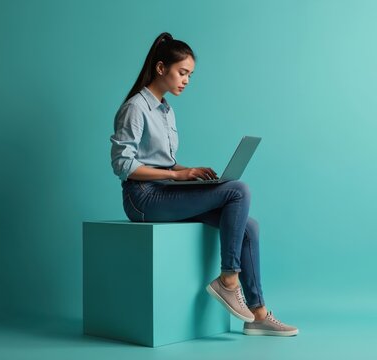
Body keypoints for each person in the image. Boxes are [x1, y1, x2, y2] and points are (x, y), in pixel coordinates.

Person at [110, 32, 298, 337]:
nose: (186, 80)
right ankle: (228, 281)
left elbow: (163, 162)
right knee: (239, 190)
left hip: (164, 192)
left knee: (249, 227)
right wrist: (176, 176)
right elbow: (123, 166)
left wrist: (189, 170)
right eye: (182, 73)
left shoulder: (166, 110)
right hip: (141, 199)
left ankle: (258, 314)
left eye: (190, 75)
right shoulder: (136, 108)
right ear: (161, 68)